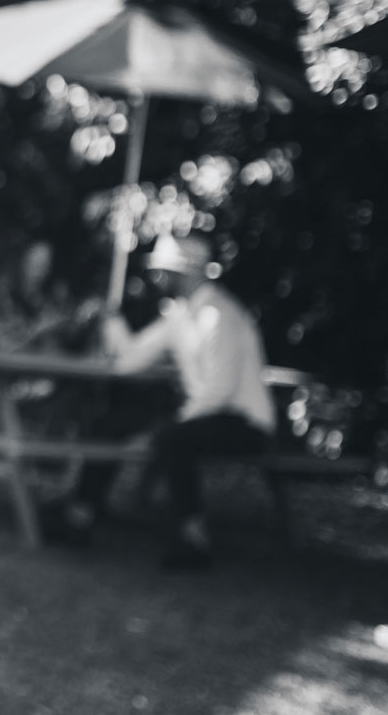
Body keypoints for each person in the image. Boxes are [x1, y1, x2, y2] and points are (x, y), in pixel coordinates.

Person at [98, 232, 275, 569]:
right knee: (124, 422)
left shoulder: (220, 316)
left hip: (244, 422)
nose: (155, 277)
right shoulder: (180, 316)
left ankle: (193, 538)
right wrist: (113, 324)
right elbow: (130, 359)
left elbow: (219, 391)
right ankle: (85, 512)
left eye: (163, 270)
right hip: (209, 416)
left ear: (184, 273)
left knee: (173, 438)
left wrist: (176, 423)